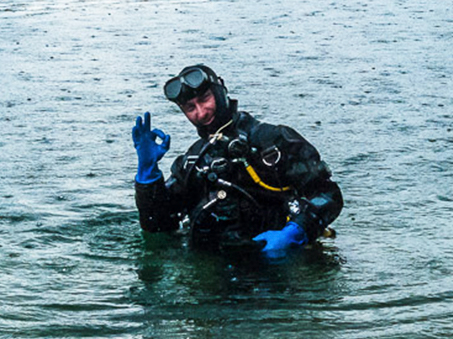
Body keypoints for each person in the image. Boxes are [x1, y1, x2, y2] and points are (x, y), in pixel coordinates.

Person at [131, 65, 343, 253]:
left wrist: (296, 231)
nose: (201, 113)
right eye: (190, 108)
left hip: (277, 263)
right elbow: (157, 225)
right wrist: (148, 174)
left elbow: (329, 194)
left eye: (204, 100)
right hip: (214, 270)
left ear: (220, 92)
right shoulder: (193, 163)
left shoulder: (273, 142)